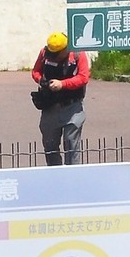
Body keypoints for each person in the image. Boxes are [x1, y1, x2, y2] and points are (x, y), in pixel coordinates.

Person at [30, 32, 90, 164]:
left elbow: (83, 77)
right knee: (50, 146)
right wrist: (42, 81)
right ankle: (55, 176)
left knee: (71, 146)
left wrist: (62, 84)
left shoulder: (77, 54)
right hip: (50, 107)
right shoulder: (44, 53)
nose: (54, 57)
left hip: (72, 108)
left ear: (65, 49)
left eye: (56, 54)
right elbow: (35, 72)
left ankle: (72, 178)